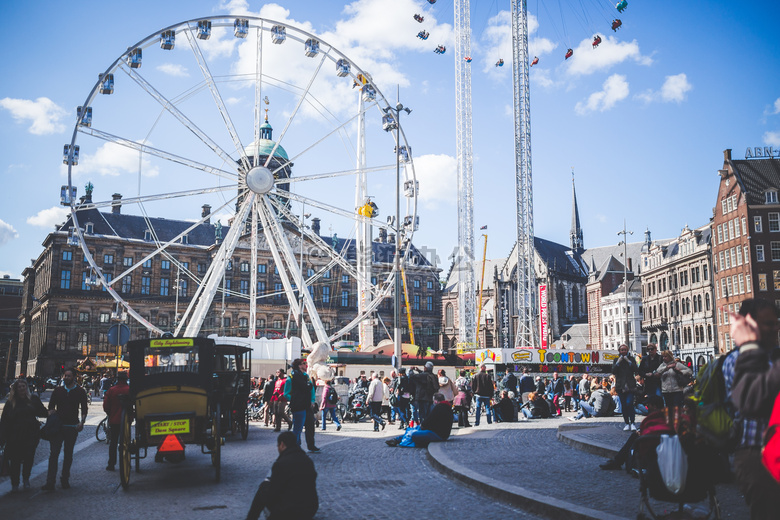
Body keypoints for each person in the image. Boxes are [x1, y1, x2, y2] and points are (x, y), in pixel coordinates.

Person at [726, 299, 780, 519]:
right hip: (757, 453)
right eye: (768, 323)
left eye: (776, 323)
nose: (775, 328)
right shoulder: (737, 359)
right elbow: (753, 401)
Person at [245, 431, 318, 520]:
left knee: (264, 487)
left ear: (282, 444)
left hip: (289, 511)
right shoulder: (308, 461)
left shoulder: (281, 464)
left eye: (278, 446)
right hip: (310, 509)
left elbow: (273, 492)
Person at [43, 367, 88, 491]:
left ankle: (64, 479)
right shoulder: (57, 390)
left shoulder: (80, 391)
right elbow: (51, 406)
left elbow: (84, 408)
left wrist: (82, 422)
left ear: (74, 377)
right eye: (65, 376)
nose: (66, 378)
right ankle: (50, 482)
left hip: (72, 427)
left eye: (69, 376)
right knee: (54, 454)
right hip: (58, 426)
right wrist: (51, 414)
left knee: (68, 454)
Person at [0, 378, 48, 491]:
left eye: (23, 386)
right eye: (19, 387)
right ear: (16, 389)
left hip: (30, 435)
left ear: (26, 387)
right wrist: (2, 439)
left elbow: (42, 412)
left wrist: (50, 412)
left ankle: (26, 479)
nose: (22, 388)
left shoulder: (33, 399)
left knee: (28, 459)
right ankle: (15, 483)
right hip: (14, 436)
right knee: (15, 461)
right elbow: (4, 421)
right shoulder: (10, 402)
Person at [599, 395, 666, 471]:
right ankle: (617, 461)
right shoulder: (660, 415)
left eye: (649, 404)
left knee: (634, 436)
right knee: (634, 435)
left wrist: (643, 433)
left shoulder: (658, 417)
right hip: (654, 439)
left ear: (655, 406)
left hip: (655, 442)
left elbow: (657, 430)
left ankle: (617, 461)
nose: (647, 406)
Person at [385, 393, 453, 447]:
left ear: (435, 401)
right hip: (442, 433)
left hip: (438, 434)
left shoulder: (438, 408)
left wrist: (422, 426)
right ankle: (397, 440)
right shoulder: (448, 408)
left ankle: (397, 440)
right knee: (416, 430)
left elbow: (429, 420)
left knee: (414, 434)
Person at [284, 359, 320, 452]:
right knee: (298, 427)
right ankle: (296, 446)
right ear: (299, 365)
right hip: (299, 404)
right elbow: (286, 393)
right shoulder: (291, 377)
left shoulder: (306, 376)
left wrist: (312, 400)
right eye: (304, 363)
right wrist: (295, 399)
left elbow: (311, 389)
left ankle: (311, 445)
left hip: (307, 404)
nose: (306, 365)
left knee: (310, 425)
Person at [102, 370, 130, 471]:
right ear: (126, 379)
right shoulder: (129, 389)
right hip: (126, 421)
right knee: (126, 441)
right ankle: (126, 461)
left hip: (114, 420)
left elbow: (105, 406)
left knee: (113, 442)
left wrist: (110, 414)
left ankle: (111, 463)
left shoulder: (111, 390)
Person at [612, 344, 639, 431]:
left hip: (630, 385)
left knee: (629, 403)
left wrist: (628, 361)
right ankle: (626, 423)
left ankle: (633, 422)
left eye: (625, 350)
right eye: (622, 350)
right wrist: (618, 363)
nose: (623, 352)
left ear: (627, 351)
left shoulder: (631, 359)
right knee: (623, 405)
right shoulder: (616, 360)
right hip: (621, 386)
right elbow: (613, 371)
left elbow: (636, 369)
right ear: (619, 351)